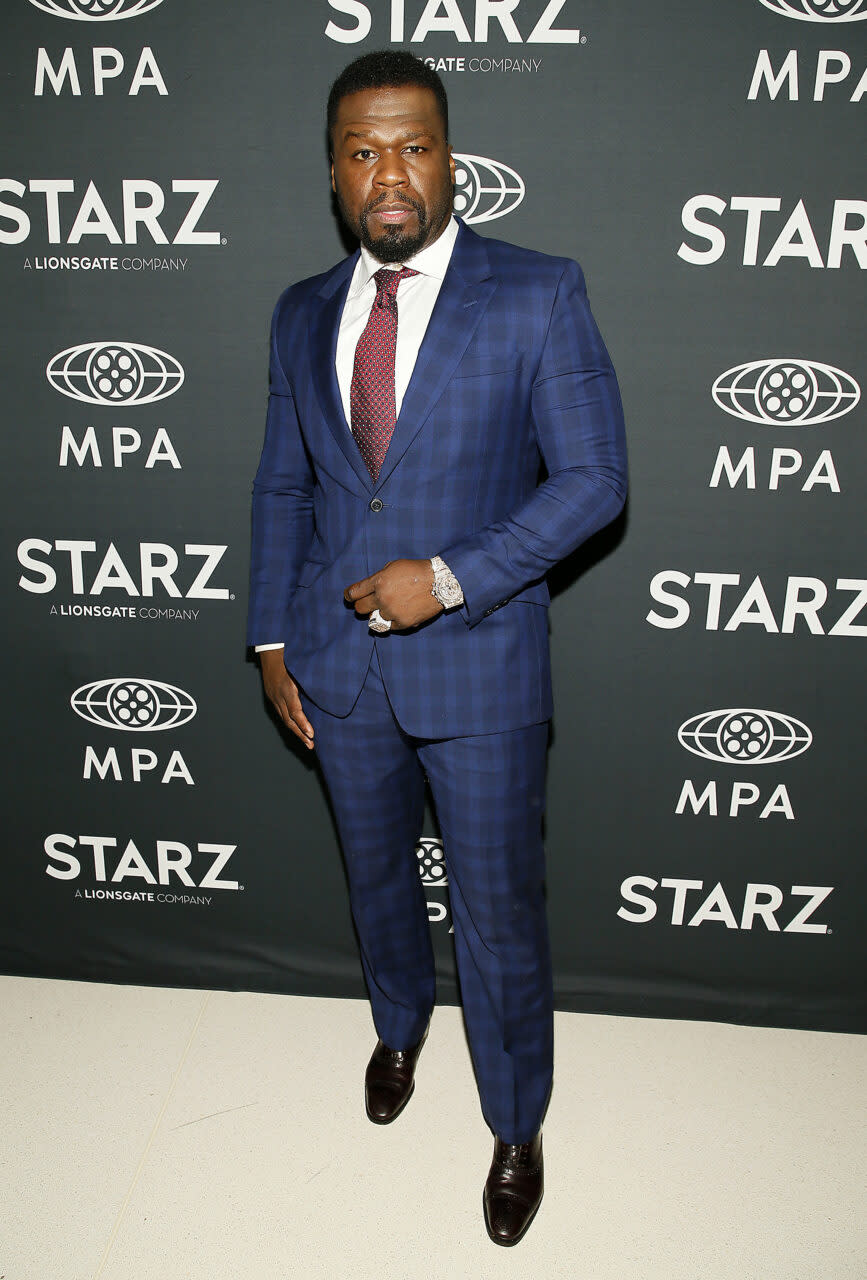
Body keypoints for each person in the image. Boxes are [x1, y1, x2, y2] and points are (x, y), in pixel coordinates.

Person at [247, 49, 627, 1246]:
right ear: (333, 174)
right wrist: (270, 634)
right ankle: (399, 1026)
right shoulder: (302, 309)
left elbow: (595, 483)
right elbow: (282, 487)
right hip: (335, 667)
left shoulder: (538, 291)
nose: (389, 175)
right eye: (363, 152)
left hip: (480, 667)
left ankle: (516, 1119)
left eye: (412, 146)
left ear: (451, 158)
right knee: (374, 880)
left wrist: (451, 578)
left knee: (499, 910)